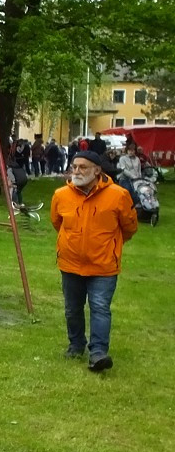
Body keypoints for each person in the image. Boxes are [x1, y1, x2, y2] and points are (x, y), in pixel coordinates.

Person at [50, 150, 137, 372]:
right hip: (70, 263)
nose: (77, 171)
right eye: (74, 166)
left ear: (97, 171)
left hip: (104, 265)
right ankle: (76, 345)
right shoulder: (61, 195)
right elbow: (57, 223)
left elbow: (129, 227)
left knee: (100, 307)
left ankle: (98, 352)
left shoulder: (118, 195)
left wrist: (109, 246)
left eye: (83, 167)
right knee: (72, 309)